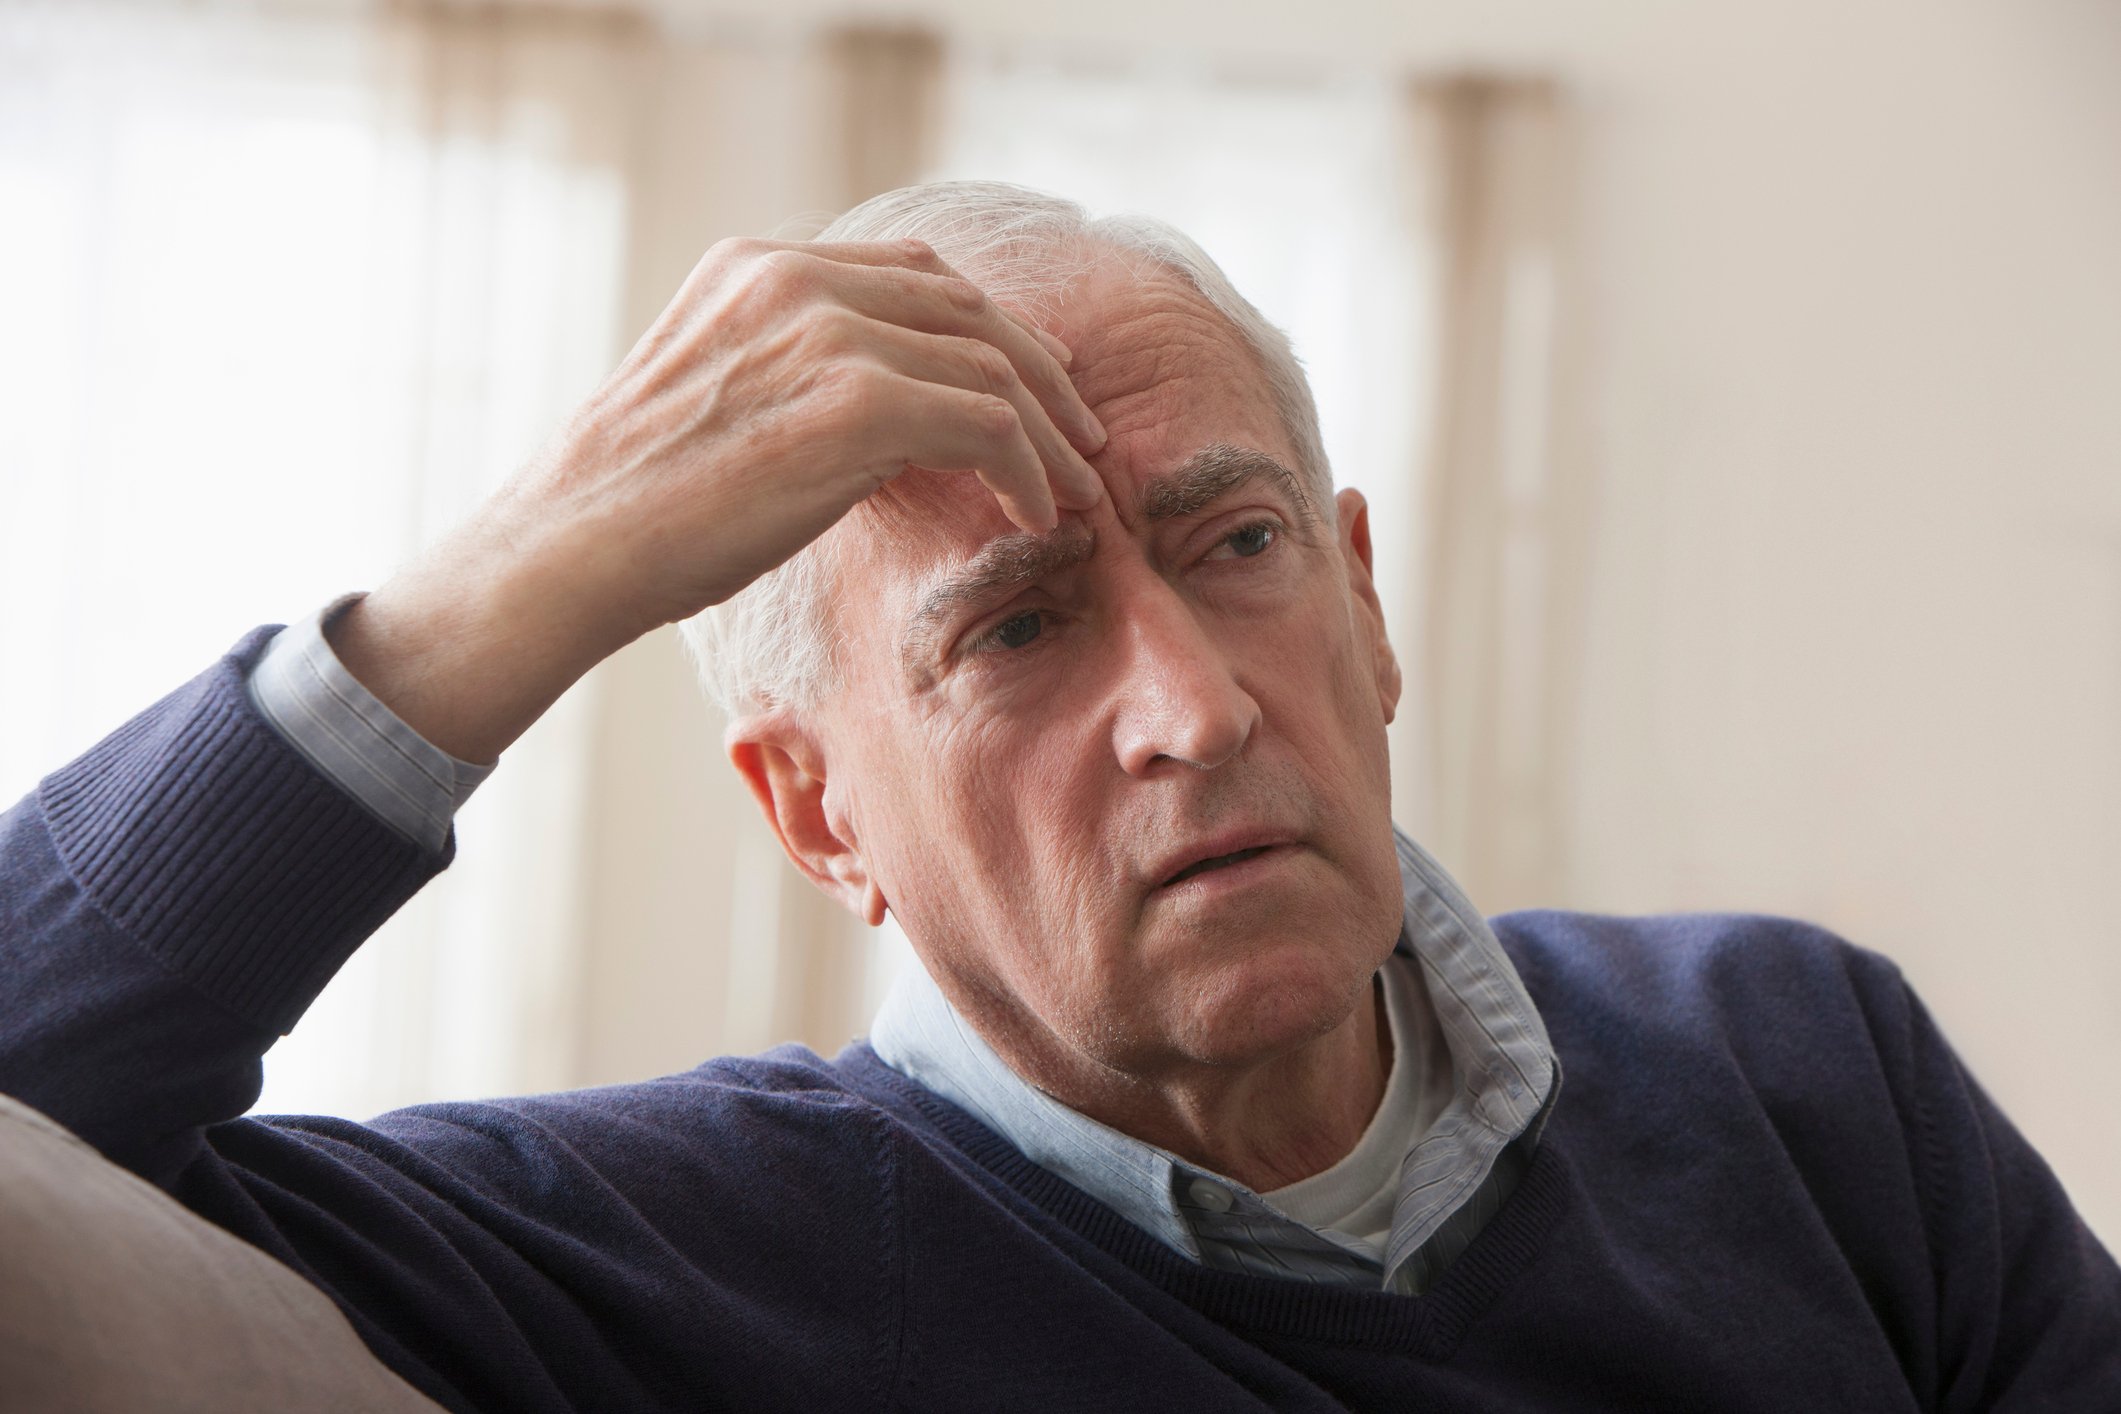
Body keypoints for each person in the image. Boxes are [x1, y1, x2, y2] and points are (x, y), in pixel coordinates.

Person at [1, 180, 2115, 1412]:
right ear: (812, 811)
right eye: (1013, 628)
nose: (1191, 706)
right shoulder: (628, 1257)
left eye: (1238, 545)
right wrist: (512, 576)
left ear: (1365, 604)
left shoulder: (1793, 1059)